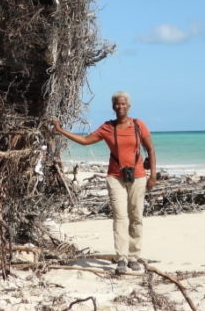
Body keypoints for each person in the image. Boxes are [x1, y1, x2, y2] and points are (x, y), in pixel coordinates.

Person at [50, 91, 157, 274]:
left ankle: (134, 256)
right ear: (113, 106)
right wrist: (60, 130)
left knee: (136, 216)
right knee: (120, 217)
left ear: (128, 106)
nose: (120, 107)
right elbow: (84, 141)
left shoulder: (139, 125)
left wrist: (153, 175)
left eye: (123, 104)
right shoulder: (107, 128)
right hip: (115, 177)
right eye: (117, 104)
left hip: (138, 176)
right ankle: (122, 258)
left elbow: (151, 149)